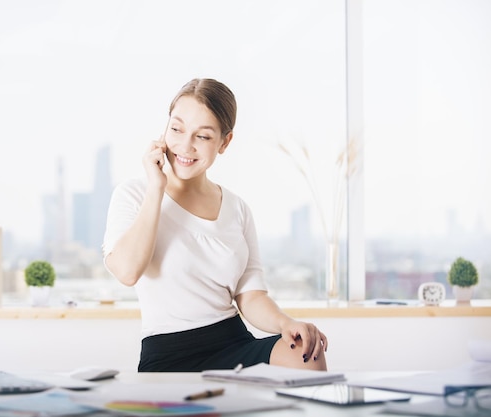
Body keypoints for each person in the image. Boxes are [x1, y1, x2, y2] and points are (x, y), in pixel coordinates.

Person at [102, 78, 328, 372]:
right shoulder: (133, 194)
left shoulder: (237, 208)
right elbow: (127, 271)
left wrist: (286, 323)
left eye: (203, 136)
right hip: (168, 352)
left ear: (224, 142)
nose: (185, 145)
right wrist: (155, 188)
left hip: (232, 341)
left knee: (305, 352)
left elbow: (251, 295)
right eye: (177, 129)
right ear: (165, 129)